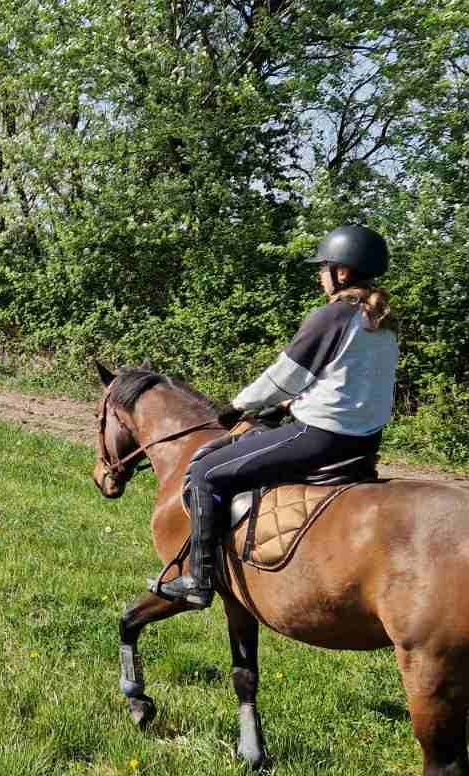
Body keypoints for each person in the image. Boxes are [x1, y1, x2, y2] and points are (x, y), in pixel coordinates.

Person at [155, 224, 399, 610]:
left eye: (323, 268)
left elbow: (283, 375)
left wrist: (238, 406)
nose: (320, 277)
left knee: (204, 471)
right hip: (363, 442)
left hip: (319, 437)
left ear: (343, 272)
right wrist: (292, 403)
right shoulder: (381, 322)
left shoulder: (332, 316)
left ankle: (197, 581)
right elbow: (347, 382)